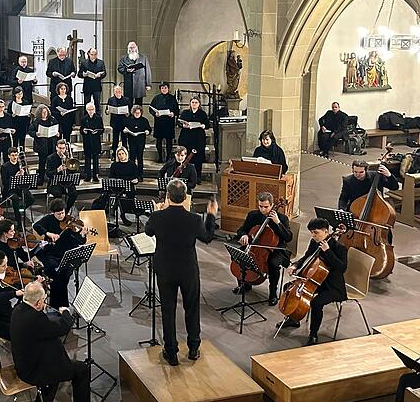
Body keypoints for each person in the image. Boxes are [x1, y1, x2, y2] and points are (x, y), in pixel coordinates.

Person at [145, 180, 218, 365]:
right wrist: (210, 215)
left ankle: (171, 351)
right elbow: (207, 238)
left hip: (165, 270)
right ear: (185, 197)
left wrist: (157, 211)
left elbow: (148, 232)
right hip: (188, 270)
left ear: (168, 196)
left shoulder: (158, 217)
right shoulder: (194, 219)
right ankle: (193, 348)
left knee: (168, 310)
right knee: (192, 308)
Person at [10, 281, 90, 402]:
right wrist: (65, 312)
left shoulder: (18, 310)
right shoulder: (34, 319)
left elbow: (45, 328)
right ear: (38, 303)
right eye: (44, 299)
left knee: (55, 370)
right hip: (33, 371)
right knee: (82, 370)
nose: (45, 301)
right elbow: (62, 328)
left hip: (25, 362)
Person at [278, 218, 348, 346]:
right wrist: (295, 265)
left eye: (316, 233)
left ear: (326, 231)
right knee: (288, 287)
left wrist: (328, 251)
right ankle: (293, 318)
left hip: (332, 286)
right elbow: (307, 257)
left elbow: (342, 268)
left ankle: (313, 334)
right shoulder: (314, 242)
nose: (313, 235)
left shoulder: (339, 247)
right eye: (311, 232)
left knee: (316, 302)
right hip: (315, 280)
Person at [233, 192, 293, 305]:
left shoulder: (282, 218)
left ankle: (273, 293)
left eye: (266, 207)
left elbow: (288, 237)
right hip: (256, 246)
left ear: (272, 205)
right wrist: (243, 235)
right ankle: (244, 284)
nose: (263, 210)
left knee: (273, 264)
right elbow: (242, 229)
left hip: (277, 249)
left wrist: (278, 223)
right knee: (239, 254)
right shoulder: (253, 215)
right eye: (260, 206)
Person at [33, 199, 88, 308]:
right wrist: (48, 233)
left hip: (67, 254)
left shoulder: (71, 222)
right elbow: (36, 226)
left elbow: (79, 241)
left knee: (64, 276)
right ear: (53, 213)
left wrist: (82, 235)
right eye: (58, 214)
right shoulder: (48, 219)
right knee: (56, 273)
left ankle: (57, 305)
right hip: (51, 253)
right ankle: (62, 306)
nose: (61, 216)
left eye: (63, 212)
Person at [0, 147, 34, 223]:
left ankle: (21, 209)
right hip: (10, 189)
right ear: (9, 156)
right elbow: (5, 182)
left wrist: (24, 174)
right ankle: (19, 222)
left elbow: (26, 180)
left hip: (20, 187)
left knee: (31, 198)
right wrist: (15, 177)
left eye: (16, 155)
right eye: (12, 155)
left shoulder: (20, 165)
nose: (15, 157)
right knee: (15, 199)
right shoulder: (4, 167)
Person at [178, 97, 210, 176]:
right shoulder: (185, 112)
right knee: (186, 157)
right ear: (190, 103)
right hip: (186, 137)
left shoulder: (202, 113)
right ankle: (186, 176)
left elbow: (208, 125)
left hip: (198, 138)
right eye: (193, 102)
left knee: (198, 158)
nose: (194, 104)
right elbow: (179, 123)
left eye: (196, 102)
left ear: (199, 104)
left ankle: (197, 176)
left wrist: (203, 125)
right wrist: (184, 125)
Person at [29, 104, 60, 186]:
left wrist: (58, 133)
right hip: (41, 146)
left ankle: (52, 179)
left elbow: (59, 129)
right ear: (39, 113)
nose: (45, 114)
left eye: (46, 112)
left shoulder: (52, 119)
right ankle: (41, 178)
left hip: (51, 144)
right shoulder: (36, 121)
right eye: (43, 112)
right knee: (42, 163)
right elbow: (30, 131)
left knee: (52, 163)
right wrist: (36, 134)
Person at [150, 82, 180, 162]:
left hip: (169, 122)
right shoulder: (156, 98)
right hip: (159, 122)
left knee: (169, 141)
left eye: (165, 88)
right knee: (158, 141)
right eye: (162, 88)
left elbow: (177, 110)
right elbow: (151, 108)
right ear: (160, 89)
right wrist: (155, 113)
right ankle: (160, 157)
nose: (164, 89)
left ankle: (168, 158)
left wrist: (173, 113)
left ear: (168, 89)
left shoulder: (173, 98)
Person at [46, 140, 78, 212]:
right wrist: (58, 169)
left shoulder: (68, 158)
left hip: (67, 182)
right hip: (55, 183)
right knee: (58, 194)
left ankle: (66, 211)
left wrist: (68, 164)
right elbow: (48, 174)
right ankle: (58, 211)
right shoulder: (50, 158)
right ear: (56, 148)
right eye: (60, 148)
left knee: (74, 194)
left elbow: (74, 171)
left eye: (63, 148)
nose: (61, 150)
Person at [109, 146, 139, 225]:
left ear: (126, 154)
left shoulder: (132, 165)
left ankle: (118, 208)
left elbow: (136, 177)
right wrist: (124, 179)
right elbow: (111, 177)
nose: (121, 156)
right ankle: (123, 215)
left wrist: (134, 180)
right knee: (119, 195)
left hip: (129, 186)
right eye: (119, 154)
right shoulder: (114, 165)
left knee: (127, 194)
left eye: (122, 153)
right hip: (118, 187)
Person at [117, 41, 152, 105]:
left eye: (134, 47)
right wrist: (127, 70)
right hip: (129, 84)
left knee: (139, 104)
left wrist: (148, 84)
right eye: (131, 47)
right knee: (128, 104)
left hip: (140, 84)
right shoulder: (124, 58)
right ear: (128, 48)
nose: (132, 49)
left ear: (136, 48)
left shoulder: (143, 57)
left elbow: (148, 71)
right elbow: (120, 68)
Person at [124, 105, 152, 182]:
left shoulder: (144, 120)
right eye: (136, 113)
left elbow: (149, 129)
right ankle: (132, 174)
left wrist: (147, 131)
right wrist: (126, 131)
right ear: (133, 113)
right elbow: (125, 129)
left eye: (138, 113)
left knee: (140, 158)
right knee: (132, 158)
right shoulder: (129, 120)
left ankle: (140, 175)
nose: (137, 114)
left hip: (140, 141)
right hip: (132, 141)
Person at [80, 102, 104, 182]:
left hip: (96, 141)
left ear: (94, 110)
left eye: (92, 109)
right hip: (87, 141)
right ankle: (88, 175)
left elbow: (102, 129)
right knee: (87, 159)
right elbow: (81, 130)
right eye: (89, 109)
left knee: (95, 159)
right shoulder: (84, 119)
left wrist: (97, 132)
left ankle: (95, 176)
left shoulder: (98, 118)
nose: (91, 111)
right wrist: (84, 131)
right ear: (87, 110)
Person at [78, 47, 107, 112]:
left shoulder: (101, 62)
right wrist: (84, 74)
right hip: (87, 86)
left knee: (97, 106)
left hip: (97, 86)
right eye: (92, 54)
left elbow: (104, 73)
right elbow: (79, 74)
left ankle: (98, 121)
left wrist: (100, 74)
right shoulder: (84, 62)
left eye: (95, 54)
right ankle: (86, 121)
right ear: (88, 54)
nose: (94, 56)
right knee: (86, 105)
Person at [106, 86, 131, 156]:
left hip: (124, 122)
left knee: (124, 140)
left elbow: (130, 111)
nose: (118, 93)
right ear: (114, 92)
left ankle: (126, 155)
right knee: (115, 140)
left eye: (119, 91)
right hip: (115, 122)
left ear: (121, 91)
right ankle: (114, 154)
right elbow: (106, 110)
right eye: (116, 92)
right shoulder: (111, 100)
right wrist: (108, 111)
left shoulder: (126, 99)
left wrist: (128, 114)